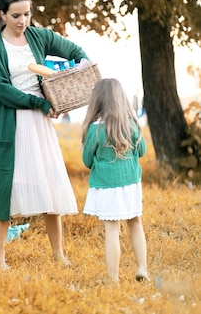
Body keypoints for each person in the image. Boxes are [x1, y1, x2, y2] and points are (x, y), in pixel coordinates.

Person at [0, 0, 88, 267]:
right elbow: (1, 89)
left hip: (40, 123)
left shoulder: (39, 37)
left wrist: (72, 75)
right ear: (2, 14)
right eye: (15, 15)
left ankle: (59, 256)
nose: (22, 21)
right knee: (3, 186)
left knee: (49, 183)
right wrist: (40, 103)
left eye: (26, 14)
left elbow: (76, 52)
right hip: (10, 121)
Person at [81, 78, 149, 283]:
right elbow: (142, 151)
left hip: (107, 185)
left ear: (97, 102)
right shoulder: (130, 124)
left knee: (112, 230)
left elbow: (86, 161)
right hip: (130, 183)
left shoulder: (95, 129)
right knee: (135, 223)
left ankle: (113, 278)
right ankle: (142, 268)